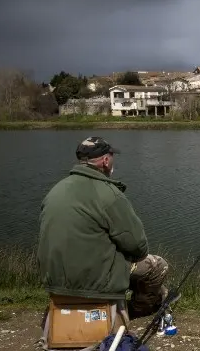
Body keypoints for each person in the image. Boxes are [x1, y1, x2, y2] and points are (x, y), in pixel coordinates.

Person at [37, 136, 171, 320]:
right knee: (158, 266)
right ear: (106, 161)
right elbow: (139, 247)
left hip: (55, 283)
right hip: (94, 283)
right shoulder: (109, 194)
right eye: (112, 156)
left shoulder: (55, 191)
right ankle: (138, 310)